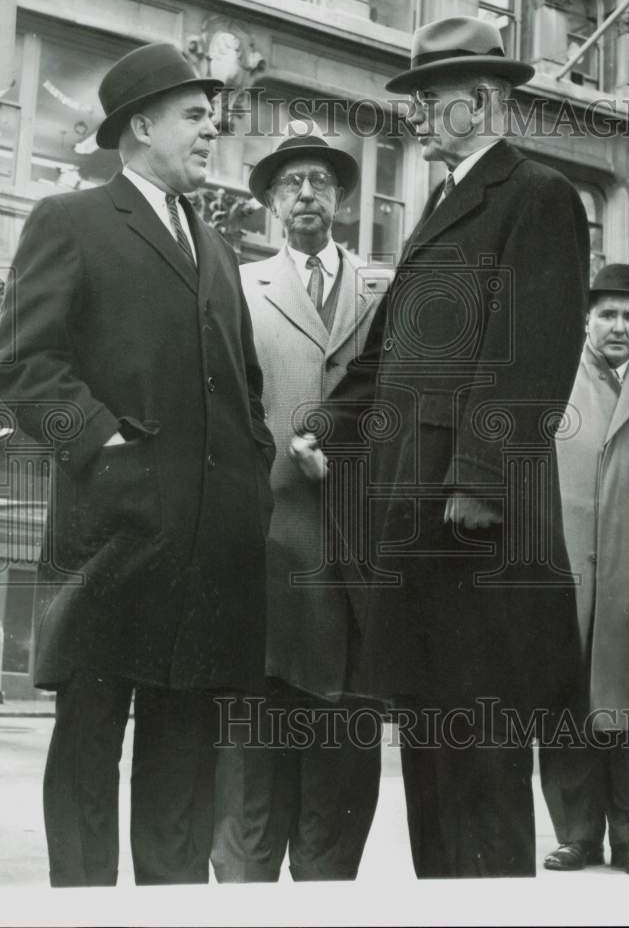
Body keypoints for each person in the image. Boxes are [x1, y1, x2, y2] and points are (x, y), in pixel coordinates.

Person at [291, 16, 589, 878]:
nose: (414, 116)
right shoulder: (446, 202)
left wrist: (481, 483)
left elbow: (535, 354)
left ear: (482, 99)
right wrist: (320, 424)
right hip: (417, 519)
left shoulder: (537, 195)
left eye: (428, 99)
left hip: (473, 526)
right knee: (431, 744)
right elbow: (385, 350)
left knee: (482, 760)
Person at [0, 42, 275, 887]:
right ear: (139, 126)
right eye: (194, 116)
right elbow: (24, 363)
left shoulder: (219, 251)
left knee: (181, 768)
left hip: (206, 553)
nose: (211, 130)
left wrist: (251, 479)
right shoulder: (70, 221)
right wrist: (106, 447)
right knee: (87, 754)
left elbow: (244, 393)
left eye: (211, 117)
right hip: (110, 549)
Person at [211, 121, 383, 882]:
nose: (306, 194)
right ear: (271, 204)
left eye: (319, 181)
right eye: (290, 183)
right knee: (254, 741)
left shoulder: (385, 287)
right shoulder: (238, 288)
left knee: (342, 748)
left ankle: (324, 890)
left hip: (357, 552)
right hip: (266, 545)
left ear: (341, 200)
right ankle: (245, 887)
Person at [540, 263, 629, 876]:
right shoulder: (554, 381)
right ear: (587, 319)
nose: (619, 326)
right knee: (566, 704)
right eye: (608, 314)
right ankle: (576, 833)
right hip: (565, 572)